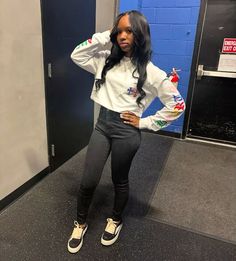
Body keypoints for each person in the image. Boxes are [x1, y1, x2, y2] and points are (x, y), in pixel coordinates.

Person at [67, 10, 185, 254]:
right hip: (102, 125)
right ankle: (80, 223)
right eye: (119, 31)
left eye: (128, 31)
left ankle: (116, 220)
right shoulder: (105, 59)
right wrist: (105, 37)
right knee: (89, 180)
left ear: (140, 34)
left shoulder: (152, 73)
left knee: (119, 180)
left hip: (126, 131)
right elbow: (76, 54)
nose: (122, 36)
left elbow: (178, 106)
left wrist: (145, 123)